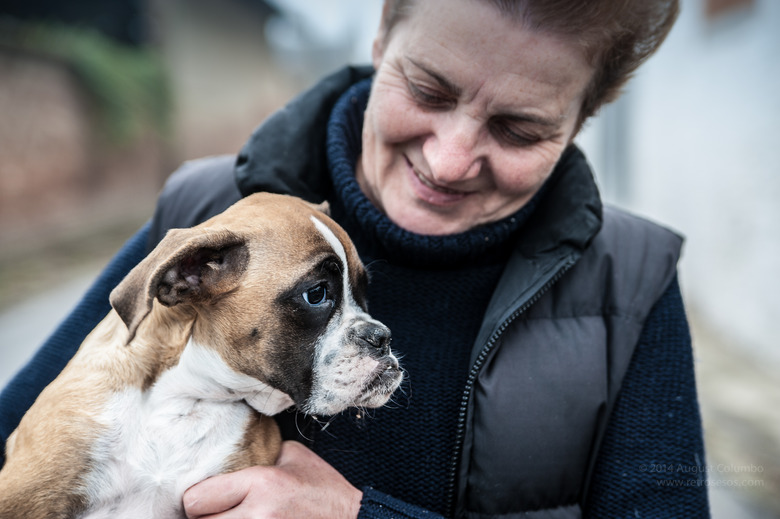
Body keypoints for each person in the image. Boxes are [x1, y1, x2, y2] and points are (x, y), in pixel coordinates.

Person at [0, 0, 711, 517]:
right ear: (380, 35)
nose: (450, 158)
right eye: (428, 89)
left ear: (582, 119)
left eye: (519, 127)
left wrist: (360, 516)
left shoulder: (630, 281)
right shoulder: (209, 215)